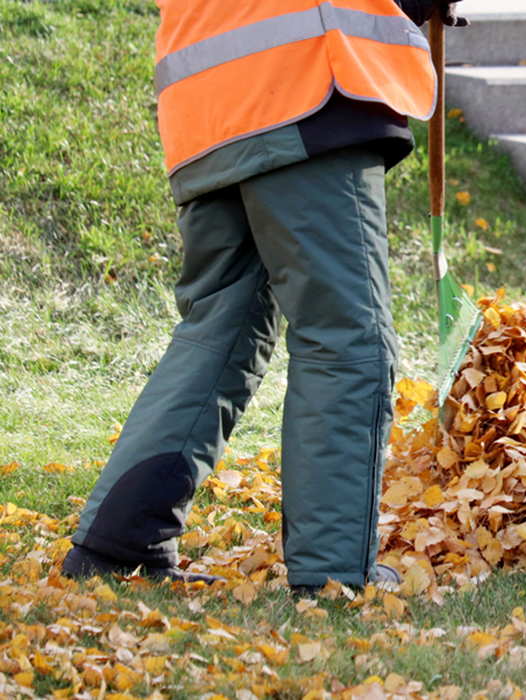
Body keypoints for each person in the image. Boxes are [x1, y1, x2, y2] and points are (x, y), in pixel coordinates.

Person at [61, 0, 467, 594]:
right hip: (304, 81)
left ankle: (119, 541)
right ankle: (332, 574)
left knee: (219, 332)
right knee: (346, 334)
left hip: (206, 97)